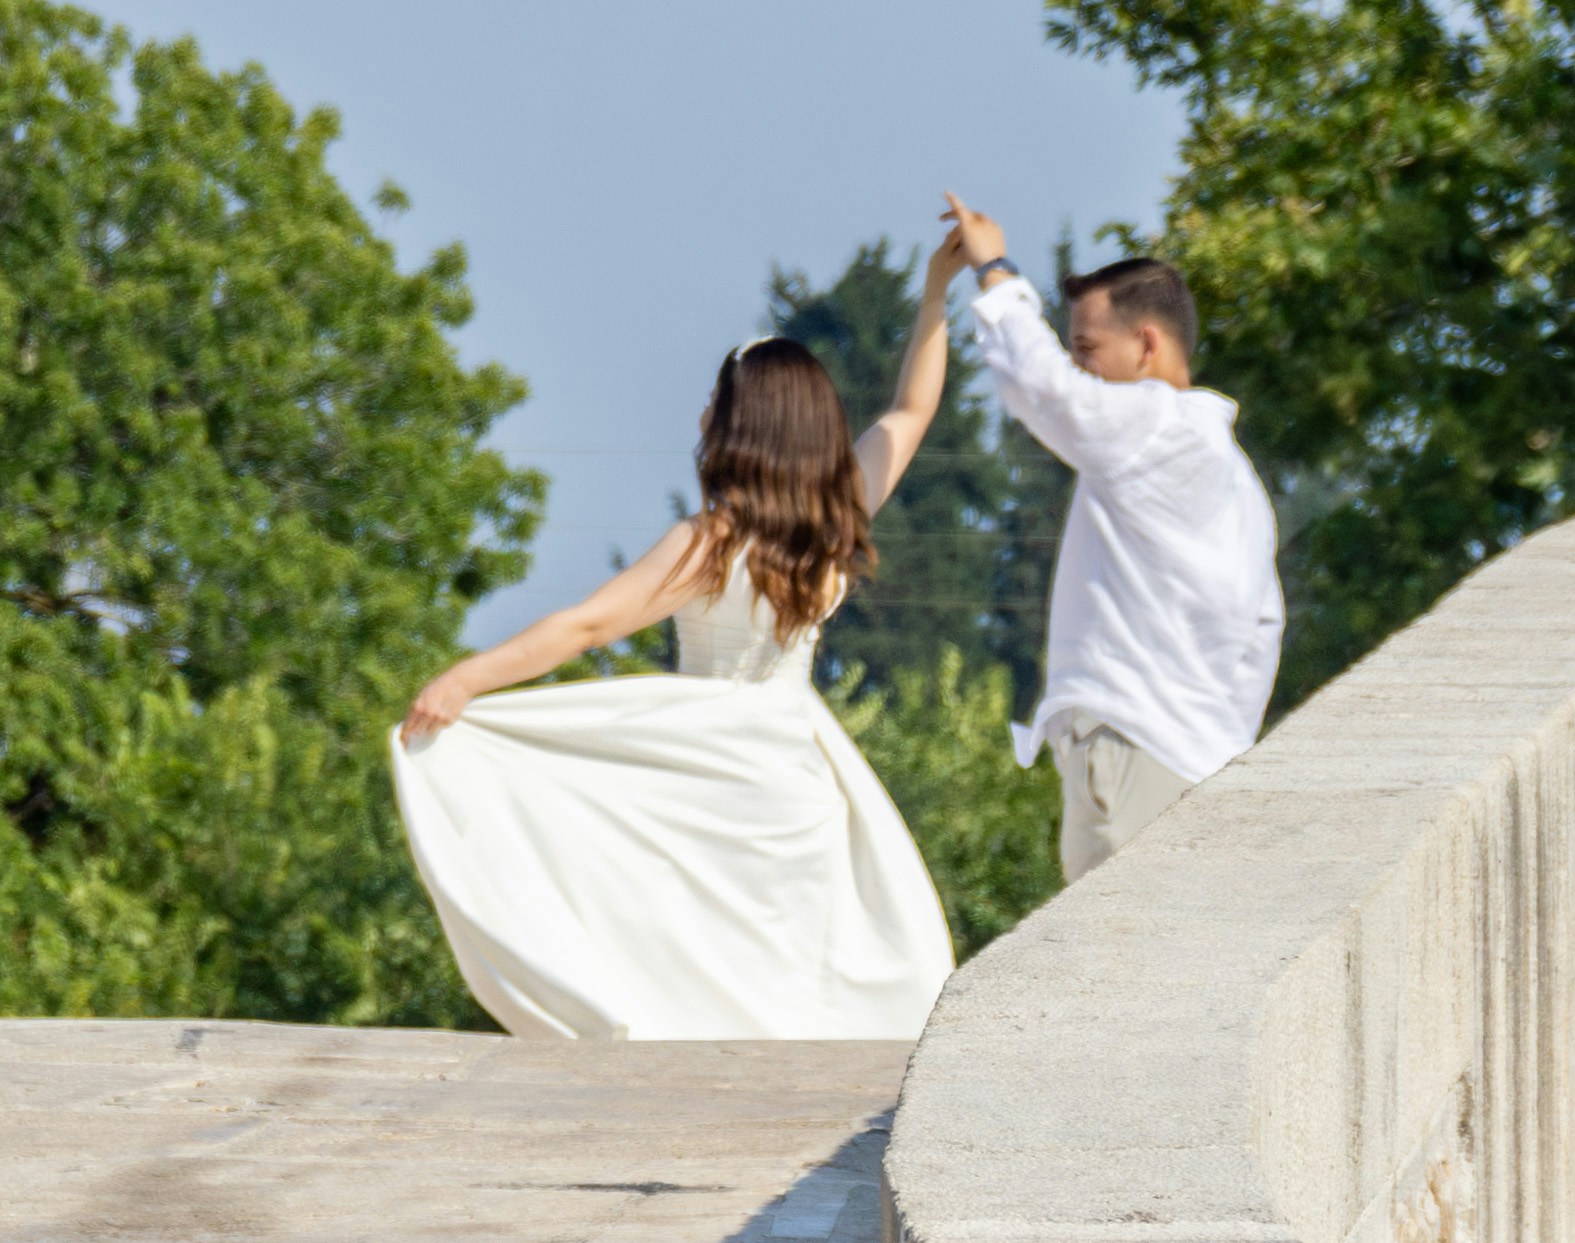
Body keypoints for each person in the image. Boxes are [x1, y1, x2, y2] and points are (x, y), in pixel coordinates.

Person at [386, 326, 961, 1041]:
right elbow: (911, 410)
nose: (700, 418)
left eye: (714, 402)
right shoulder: (833, 528)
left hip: (706, 763)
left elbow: (589, 627)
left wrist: (469, 677)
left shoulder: (712, 541)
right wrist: (937, 293)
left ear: (739, 425)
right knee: (780, 957)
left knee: (681, 937)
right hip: (793, 772)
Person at [939, 193, 1283, 880]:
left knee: (1112, 977)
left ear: (1148, 345)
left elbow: (1043, 389)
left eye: (1089, 348)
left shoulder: (1154, 422)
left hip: (1131, 761)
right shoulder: (1238, 480)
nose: (1081, 366)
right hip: (1202, 768)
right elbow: (1263, 632)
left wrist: (995, 269)